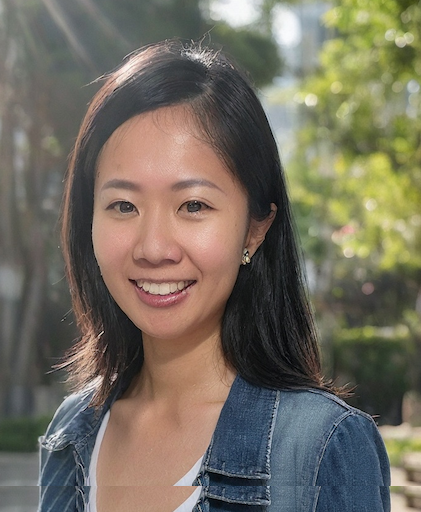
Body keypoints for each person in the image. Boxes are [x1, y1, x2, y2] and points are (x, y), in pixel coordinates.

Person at [38, 39, 390, 512]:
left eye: (193, 205)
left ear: (255, 227)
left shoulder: (319, 447)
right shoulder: (72, 433)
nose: (153, 248)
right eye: (123, 205)